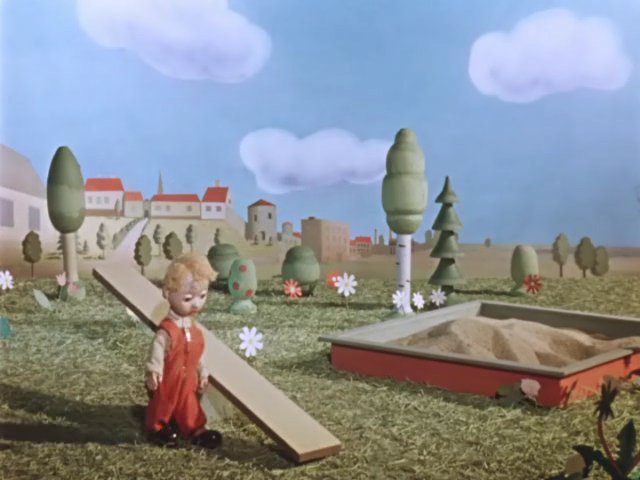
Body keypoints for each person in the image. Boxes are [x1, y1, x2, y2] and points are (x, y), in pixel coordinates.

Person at [144, 253, 222, 449]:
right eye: (188, 298)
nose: (196, 303)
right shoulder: (167, 330)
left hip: (188, 380)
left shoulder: (195, 330)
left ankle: (196, 429)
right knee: (164, 402)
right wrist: (154, 370)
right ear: (168, 293)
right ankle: (158, 428)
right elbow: (157, 351)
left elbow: (198, 355)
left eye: (202, 296)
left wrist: (203, 372)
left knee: (189, 403)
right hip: (169, 378)